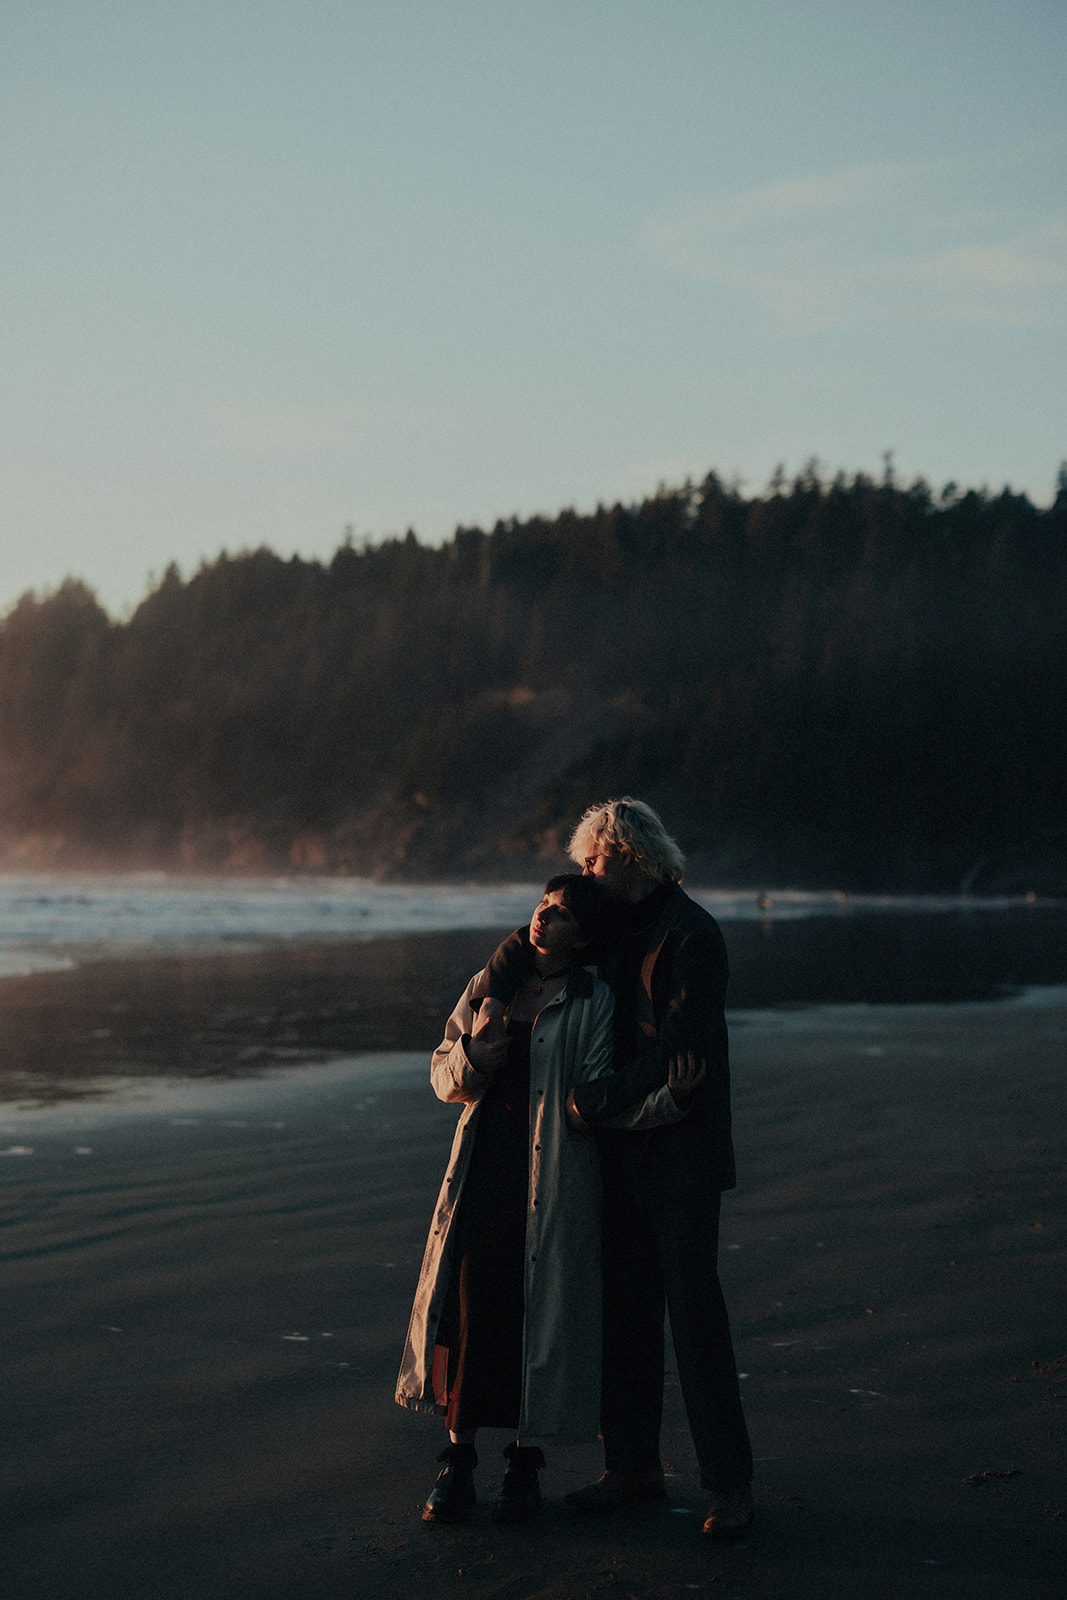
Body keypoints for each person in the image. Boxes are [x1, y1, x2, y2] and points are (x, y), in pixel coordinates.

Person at [482, 799, 753, 1540]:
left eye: (592, 860)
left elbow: (683, 1045)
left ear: (625, 855)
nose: (582, 872)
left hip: (681, 1157)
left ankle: (729, 1486)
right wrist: (499, 988)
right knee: (625, 1319)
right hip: (615, 1151)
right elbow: (527, 942)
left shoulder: (691, 932)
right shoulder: (606, 925)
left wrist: (593, 1096)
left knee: (695, 1324)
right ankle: (631, 1469)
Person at [395, 873, 699, 1526]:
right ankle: (458, 1462)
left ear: (582, 935)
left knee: (536, 1315)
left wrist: (665, 1102)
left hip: (553, 1175)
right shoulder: (488, 985)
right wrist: (474, 1054)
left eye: (561, 915)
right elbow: (441, 1074)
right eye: (543, 906)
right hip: (483, 1170)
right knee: (471, 1309)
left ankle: (523, 1466)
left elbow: (597, 1097)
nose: (544, 919)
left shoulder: (593, 1000)